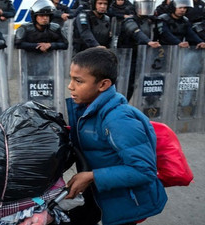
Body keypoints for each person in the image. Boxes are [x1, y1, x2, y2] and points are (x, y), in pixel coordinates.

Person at [64, 47, 168, 225]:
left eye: (78, 81)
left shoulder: (118, 119)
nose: (70, 86)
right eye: (71, 78)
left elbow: (144, 170)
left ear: (103, 84)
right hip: (99, 190)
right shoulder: (87, 108)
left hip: (127, 200)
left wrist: (91, 176)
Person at [117, 0, 161, 100]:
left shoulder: (150, 21)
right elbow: (135, 32)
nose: (147, 8)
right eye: (144, 5)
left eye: (149, 6)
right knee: (122, 83)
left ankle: (125, 104)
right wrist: (148, 41)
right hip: (126, 58)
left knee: (133, 83)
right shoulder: (129, 20)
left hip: (140, 57)